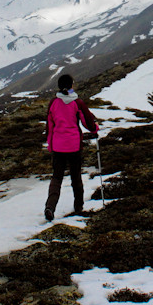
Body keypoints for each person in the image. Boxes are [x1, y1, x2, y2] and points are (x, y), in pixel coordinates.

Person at [44, 74, 98, 221]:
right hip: (74, 146)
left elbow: (50, 126)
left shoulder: (53, 103)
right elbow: (88, 122)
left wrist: (50, 145)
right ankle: (78, 206)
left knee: (56, 178)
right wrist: (95, 129)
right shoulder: (77, 102)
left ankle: (50, 207)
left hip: (58, 146)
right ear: (71, 85)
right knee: (76, 177)